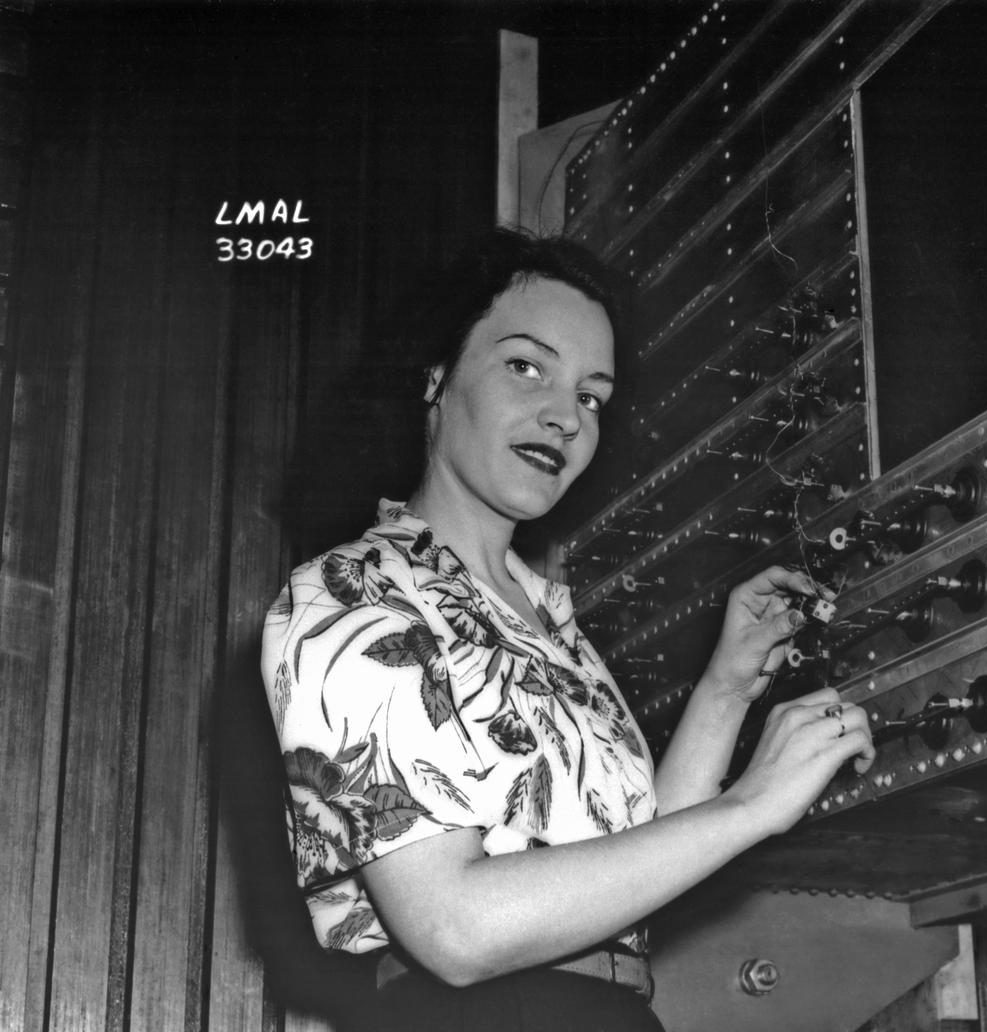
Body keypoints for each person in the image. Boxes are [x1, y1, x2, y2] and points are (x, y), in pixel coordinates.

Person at [260, 228, 874, 1031]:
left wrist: (726, 685)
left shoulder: (542, 617)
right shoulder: (349, 595)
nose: (564, 417)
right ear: (435, 377)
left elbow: (634, 869)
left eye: (590, 395)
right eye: (526, 367)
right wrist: (753, 803)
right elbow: (454, 928)